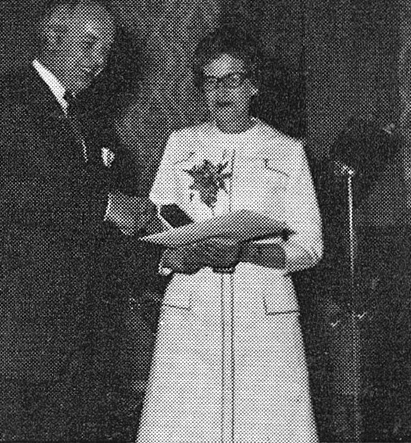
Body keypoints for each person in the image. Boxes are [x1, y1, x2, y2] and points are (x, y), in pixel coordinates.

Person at [0, 0, 154, 441]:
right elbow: (10, 187)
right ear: (54, 36)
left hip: (74, 339)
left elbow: (100, 233)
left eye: (107, 50)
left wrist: (163, 252)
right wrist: (105, 206)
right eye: (92, 44)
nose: (100, 62)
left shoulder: (95, 126)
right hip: (3, 331)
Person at [136, 31, 322, 443]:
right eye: (211, 80)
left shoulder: (286, 150)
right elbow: (157, 222)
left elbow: (309, 247)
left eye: (233, 79)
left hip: (263, 315)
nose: (222, 91)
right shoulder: (182, 143)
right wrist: (181, 253)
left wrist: (247, 250)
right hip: (192, 308)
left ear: (253, 85)